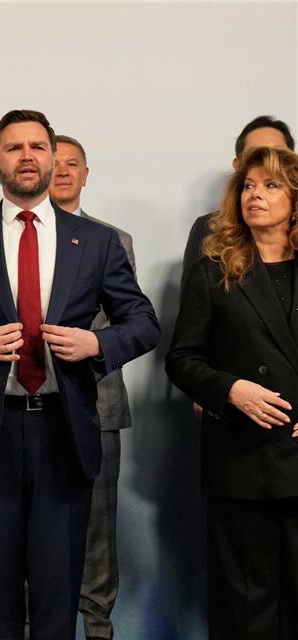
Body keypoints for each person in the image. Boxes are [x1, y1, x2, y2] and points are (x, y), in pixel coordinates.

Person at [0, 110, 159, 640]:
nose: (27, 156)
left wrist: (97, 343)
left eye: (38, 146)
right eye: (14, 147)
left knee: (56, 600)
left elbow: (144, 323)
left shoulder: (97, 241)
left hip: (66, 431)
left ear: (52, 156)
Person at [166, 146, 298, 640]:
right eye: (247, 186)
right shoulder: (212, 269)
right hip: (243, 462)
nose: (255, 196)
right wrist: (232, 389)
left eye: (270, 185)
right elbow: (181, 360)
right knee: (246, 609)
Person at [50, 135, 136, 640]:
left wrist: (90, 347)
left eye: (72, 164)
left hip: (97, 404)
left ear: (86, 174)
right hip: (26, 407)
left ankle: (98, 629)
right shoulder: (5, 239)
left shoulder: (114, 240)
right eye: (54, 163)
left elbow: (131, 324)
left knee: (97, 536)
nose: (62, 171)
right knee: (29, 534)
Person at [182, 115, 295, 289]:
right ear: (238, 166)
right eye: (255, 154)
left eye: (277, 153)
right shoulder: (209, 231)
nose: (265, 160)